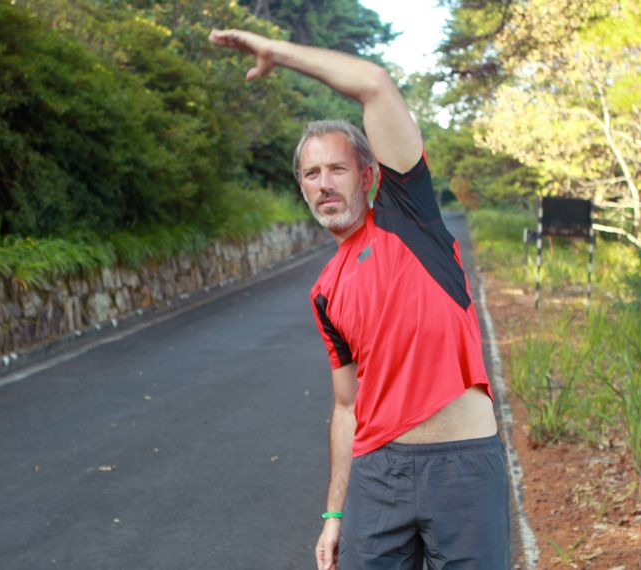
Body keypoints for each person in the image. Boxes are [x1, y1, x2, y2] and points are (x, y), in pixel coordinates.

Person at [209, 29, 511, 570]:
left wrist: (279, 53)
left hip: (460, 470)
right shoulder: (325, 291)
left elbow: (374, 84)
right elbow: (347, 405)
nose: (324, 183)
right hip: (377, 478)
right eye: (311, 173)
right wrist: (333, 515)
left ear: (370, 175)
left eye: (337, 168)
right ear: (301, 189)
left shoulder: (410, 219)